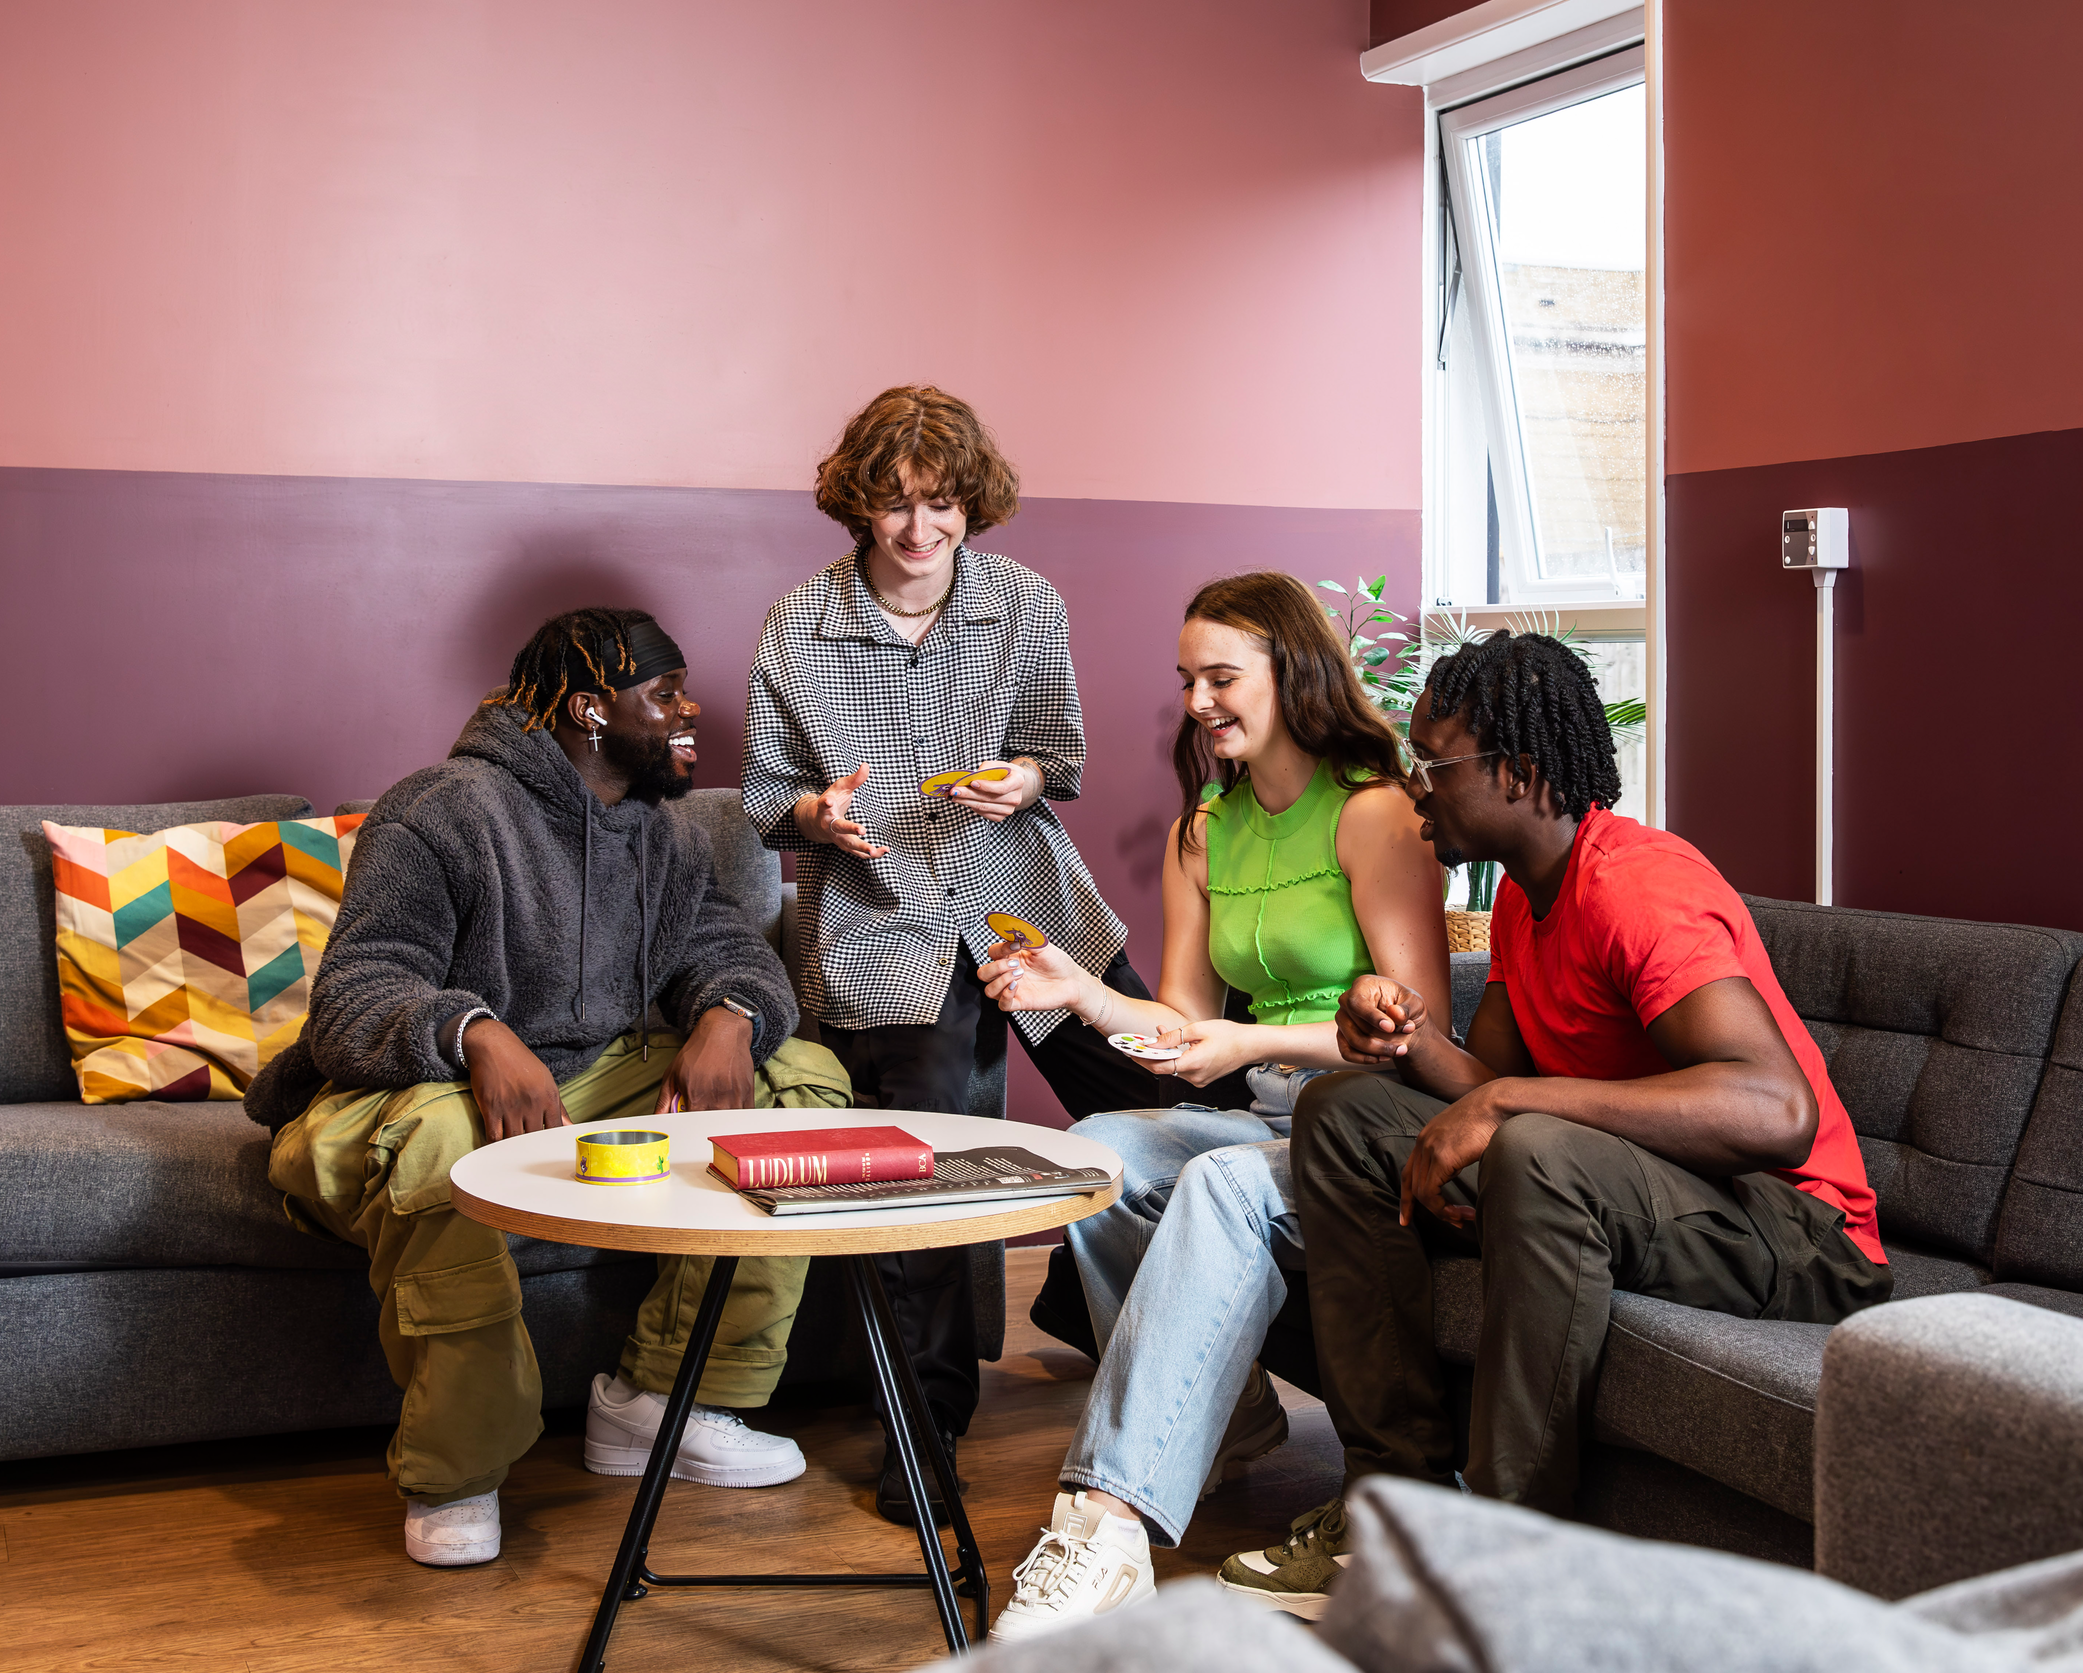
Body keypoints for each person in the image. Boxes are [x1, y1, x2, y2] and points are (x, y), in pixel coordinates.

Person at [1216, 632, 1891, 1618]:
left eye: (1435, 765)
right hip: (1653, 1192)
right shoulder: (1528, 903)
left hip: (1797, 1231)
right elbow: (1486, 1081)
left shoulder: (1636, 889)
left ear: (1521, 773)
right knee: (1344, 1110)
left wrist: (1508, 1102)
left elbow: (1775, 1110)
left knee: (1534, 1141)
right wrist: (1398, 1035)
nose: (1415, 789)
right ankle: (1390, 1505)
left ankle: (1500, 1570)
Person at [248, 609, 850, 1569]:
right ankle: (459, 1470)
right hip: (397, 1098)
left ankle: (667, 1404)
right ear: (588, 708)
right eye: (665, 694)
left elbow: (731, 952)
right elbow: (355, 999)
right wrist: (472, 1029)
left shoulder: (662, 837)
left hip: (586, 1092)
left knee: (803, 1080)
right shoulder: (440, 809)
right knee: (442, 1140)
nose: (691, 710)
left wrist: (732, 1010)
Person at [981, 572, 1448, 1641]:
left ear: (1293, 672)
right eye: (1188, 679)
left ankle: (1106, 1527)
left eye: (1222, 677)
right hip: (1268, 1101)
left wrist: (1249, 1040)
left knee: (1219, 1179)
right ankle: (1224, 1416)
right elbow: (1181, 1021)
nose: (1197, 702)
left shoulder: (1374, 812)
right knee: (1095, 1151)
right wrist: (1083, 992)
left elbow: (1417, 1030)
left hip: (1364, 1116)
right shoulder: (1209, 829)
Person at [743, 385, 1180, 1524]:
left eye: (940, 505)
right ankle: (922, 1431)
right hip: (881, 922)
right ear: (858, 507)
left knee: (1172, 1093)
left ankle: (1110, 1327)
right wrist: (814, 818)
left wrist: (1023, 779)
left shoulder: (1025, 603)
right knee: (926, 1173)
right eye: (895, 506)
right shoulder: (800, 623)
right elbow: (759, 798)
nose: (920, 530)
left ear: (971, 504)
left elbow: (1059, 753)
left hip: (1020, 900)